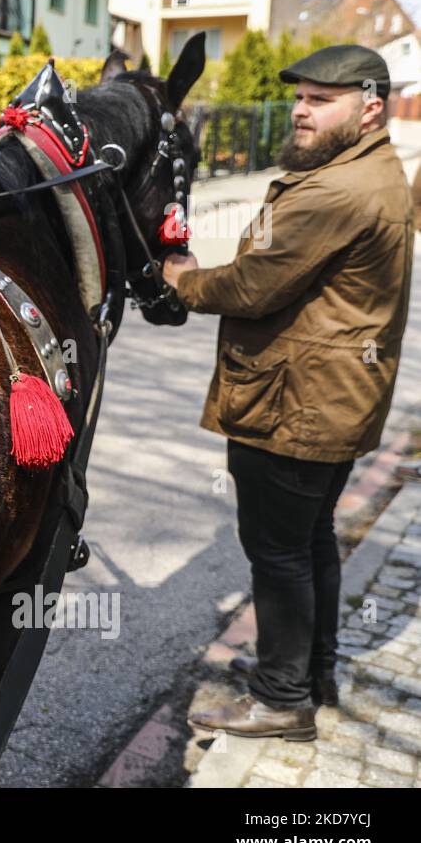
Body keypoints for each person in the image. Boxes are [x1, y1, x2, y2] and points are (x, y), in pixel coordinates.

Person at [163, 46, 414, 740]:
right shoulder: (370, 170)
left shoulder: (337, 191)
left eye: (320, 100)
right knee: (309, 543)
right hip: (330, 398)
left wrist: (181, 275)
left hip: (294, 405)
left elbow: (251, 285)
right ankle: (312, 675)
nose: (302, 110)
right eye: (300, 97)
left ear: (369, 108)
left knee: (278, 553)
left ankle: (280, 702)